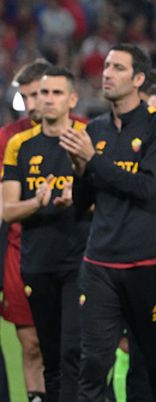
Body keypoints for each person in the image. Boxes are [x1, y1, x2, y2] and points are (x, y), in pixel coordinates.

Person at [58, 43, 156, 402]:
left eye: (117, 68)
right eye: (106, 66)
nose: (107, 73)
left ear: (138, 78)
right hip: (100, 264)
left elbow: (146, 187)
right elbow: (82, 206)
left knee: (153, 364)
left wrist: (92, 161)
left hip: (147, 262)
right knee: (93, 362)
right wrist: (80, 171)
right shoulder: (94, 129)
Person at [2, 66, 89, 402]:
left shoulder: (88, 136)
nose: (45, 100)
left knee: (72, 349)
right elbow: (8, 210)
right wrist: (37, 201)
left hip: (79, 260)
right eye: (40, 94)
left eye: (54, 93)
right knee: (48, 352)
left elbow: (104, 197)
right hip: (36, 261)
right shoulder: (19, 145)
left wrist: (78, 194)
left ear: (72, 98)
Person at [0, 59, 53, 402]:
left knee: (70, 345)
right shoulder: (7, 138)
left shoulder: (82, 131)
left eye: (39, 94)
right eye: (26, 97)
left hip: (71, 252)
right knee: (31, 344)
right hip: (19, 252)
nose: (33, 104)